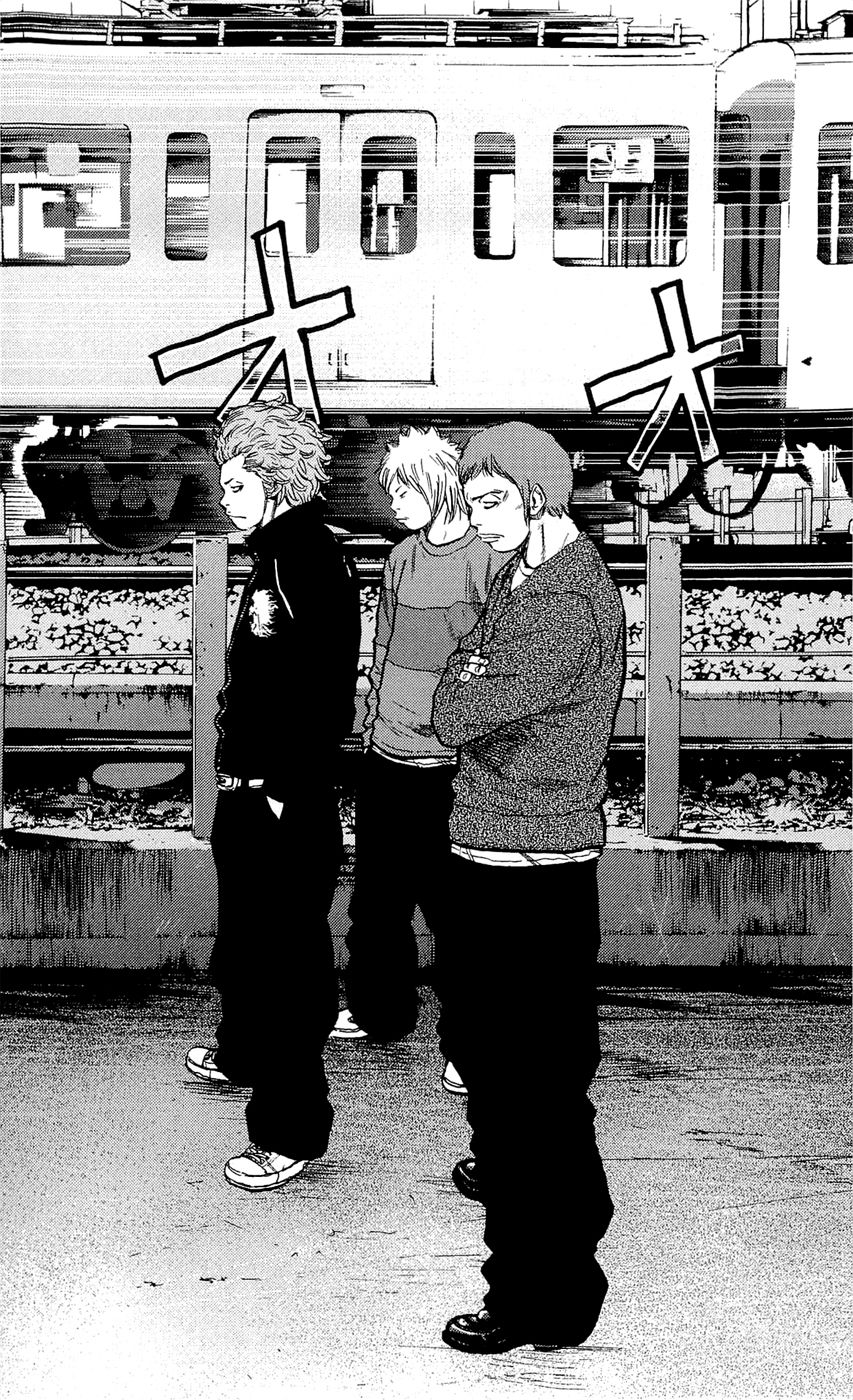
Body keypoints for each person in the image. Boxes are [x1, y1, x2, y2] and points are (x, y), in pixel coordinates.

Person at [431, 421, 626, 1353]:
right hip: (507, 857)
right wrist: (468, 685)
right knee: (520, 1077)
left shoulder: (557, 603)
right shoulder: (527, 573)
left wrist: (467, 684)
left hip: (524, 867)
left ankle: (535, 1296)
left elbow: (455, 709)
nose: (477, 518)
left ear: (538, 495)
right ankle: (566, 1228)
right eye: (471, 503)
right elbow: (463, 695)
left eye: (492, 500)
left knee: (520, 1096)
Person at [185, 396, 360, 1192]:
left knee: (285, 966)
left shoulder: (302, 563)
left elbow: (321, 696)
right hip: (256, 791)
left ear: (277, 477)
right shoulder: (281, 554)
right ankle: (242, 1053)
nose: (225, 498)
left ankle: (289, 1133)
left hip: (278, 797)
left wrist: (281, 788)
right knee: (251, 947)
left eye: (237, 484)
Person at [332, 426, 506, 1068]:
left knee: (456, 911)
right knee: (376, 898)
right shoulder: (402, 557)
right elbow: (383, 646)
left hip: (451, 765)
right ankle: (378, 1009)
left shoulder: (484, 560)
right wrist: (374, 718)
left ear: (438, 487)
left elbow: (496, 656)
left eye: (404, 491)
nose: (394, 503)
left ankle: (472, 1041)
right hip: (388, 756)